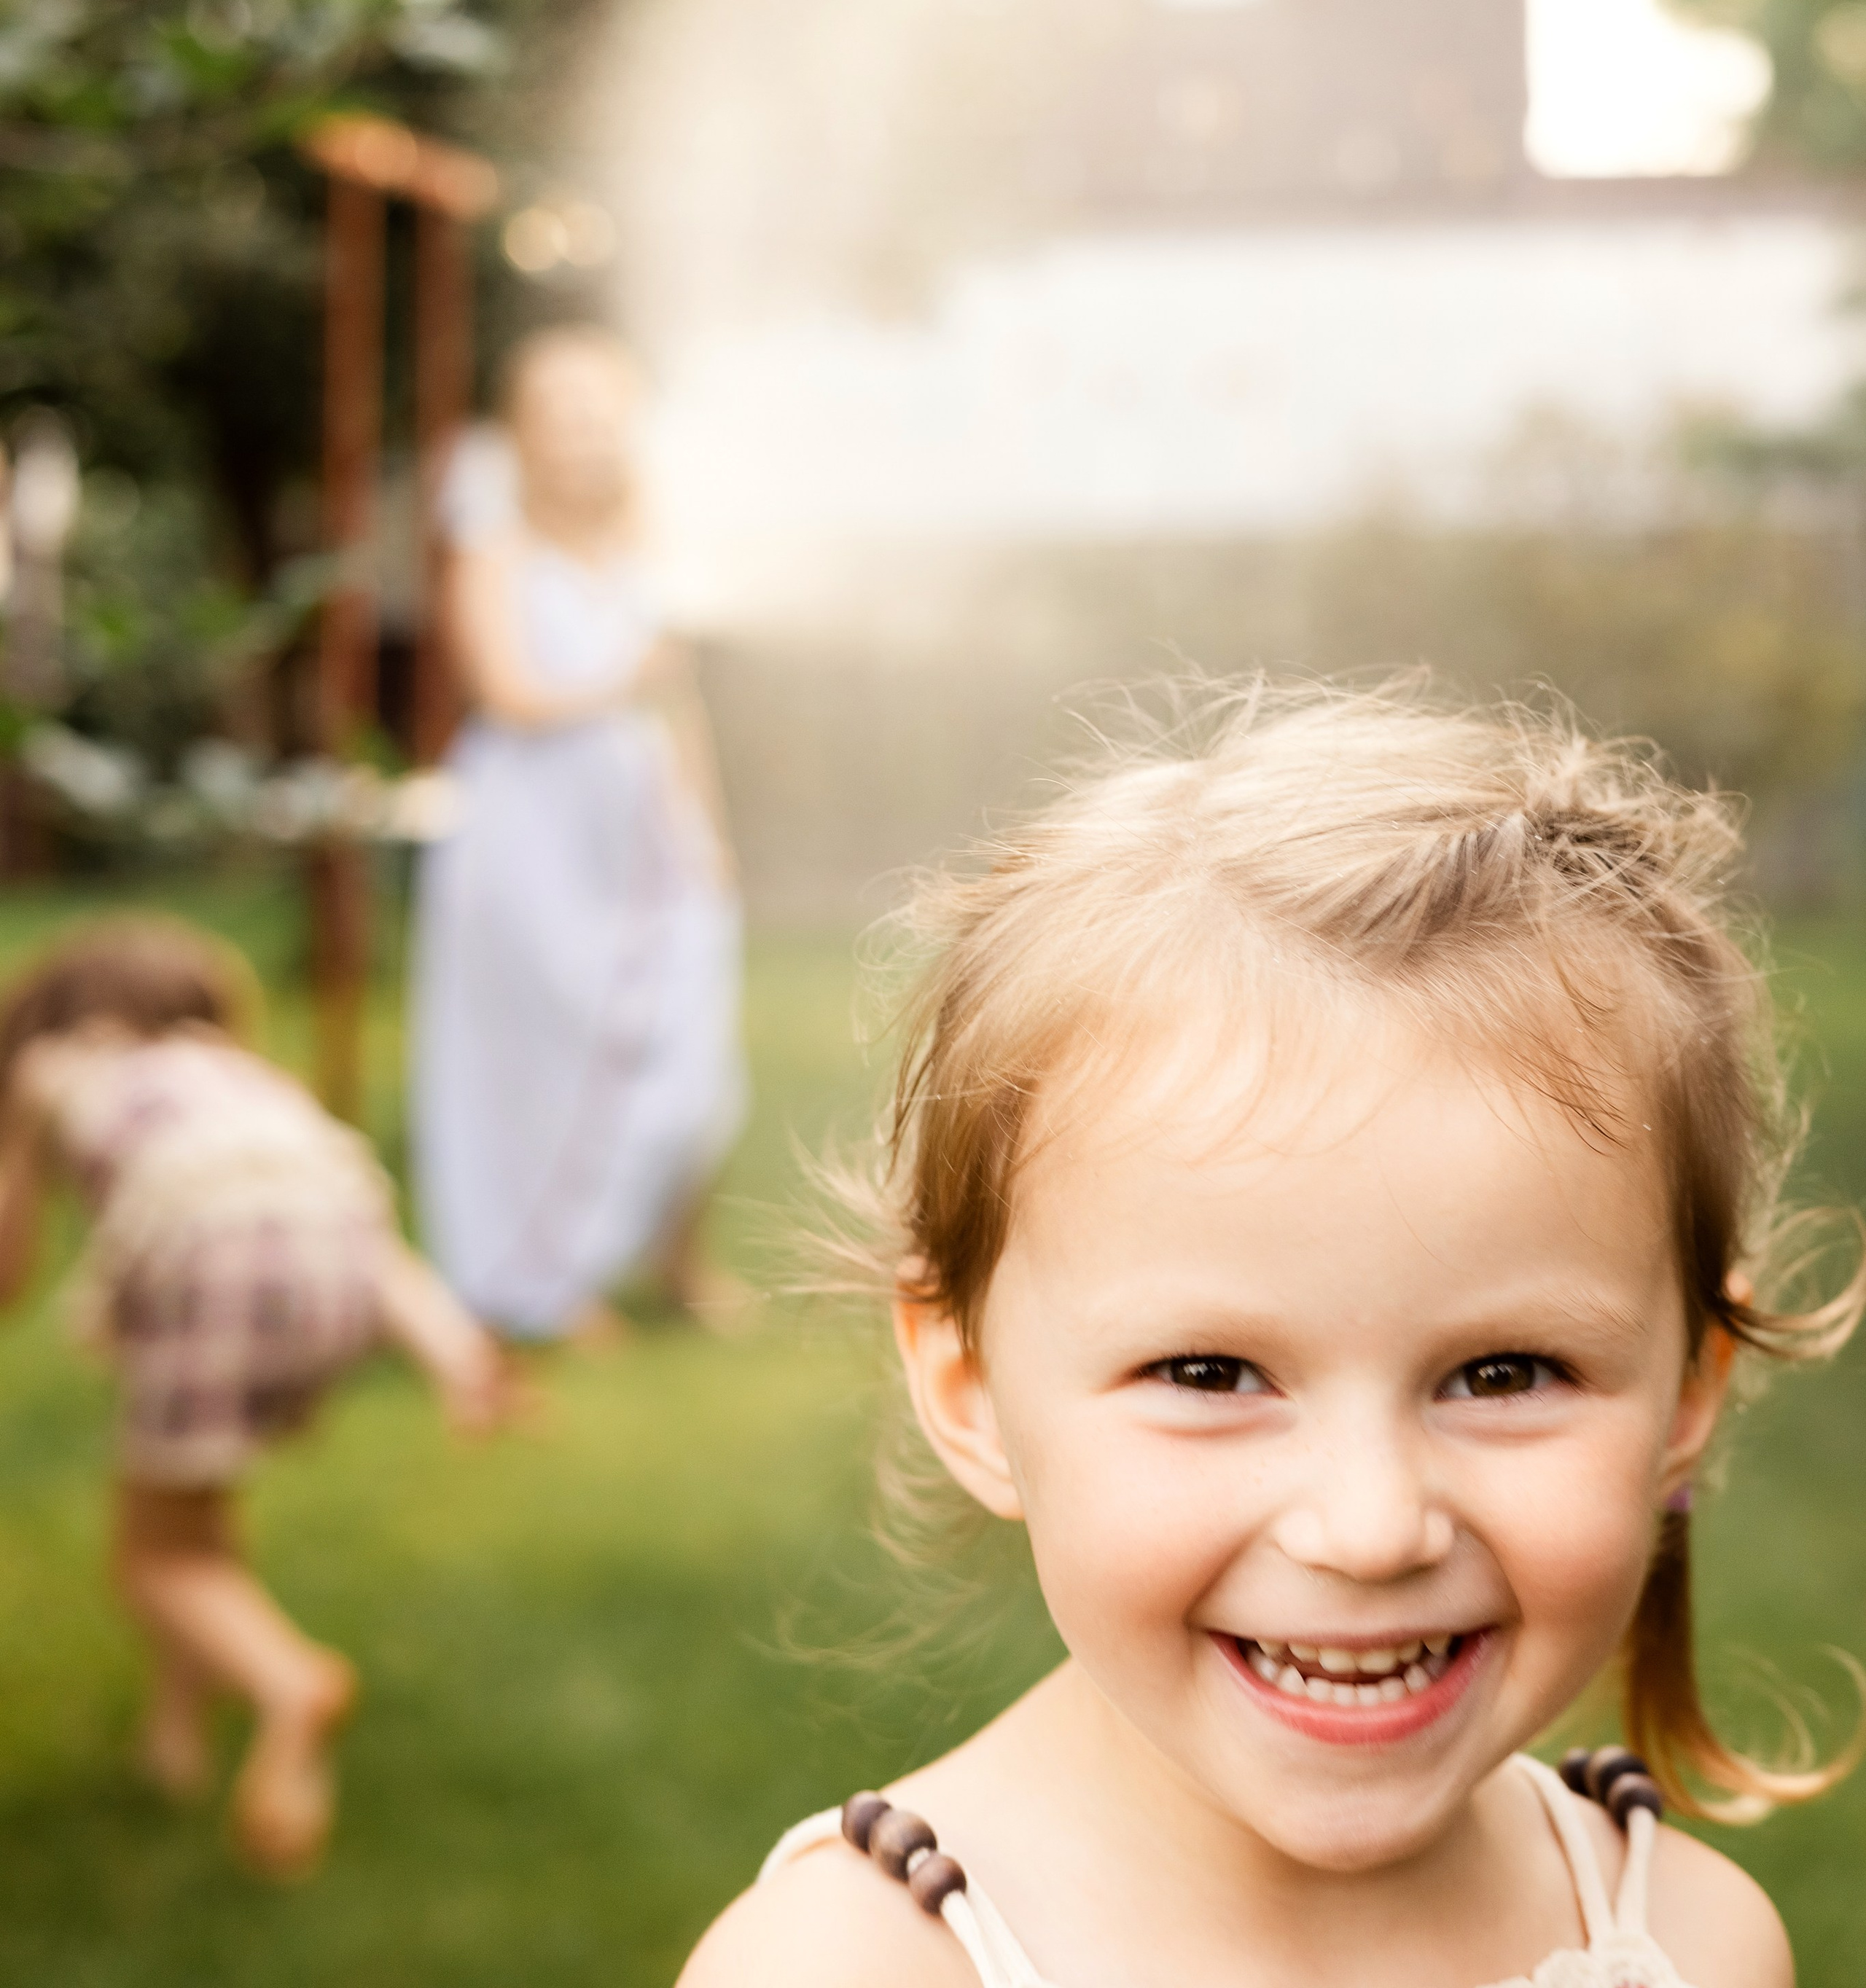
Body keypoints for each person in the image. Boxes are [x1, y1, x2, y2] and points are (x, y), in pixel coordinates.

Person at [682, 679, 1862, 1988]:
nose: (1367, 1531)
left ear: (1689, 1394)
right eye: (1209, 1373)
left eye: (1503, 1373)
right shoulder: (855, 1968)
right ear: (969, 1392)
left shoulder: (1695, 1942)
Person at [0, 915, 509, 1879]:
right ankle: (175, 1738)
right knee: (196, 1520)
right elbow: (361, 1221)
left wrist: (22, 1135)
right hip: (337, 1266)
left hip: (208, 1258)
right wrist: (456, 1356)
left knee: (153, 1556)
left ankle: (289, 1683)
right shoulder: (244, 1082)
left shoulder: (61, 1066)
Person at [410, 324, 746, 1342]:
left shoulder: (654, 542)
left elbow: (680, 707)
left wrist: (710, 830)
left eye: (601, 412)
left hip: (647, 842)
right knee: (544, 1061)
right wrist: (625, 676)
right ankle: (553, 1279)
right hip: (532, 846)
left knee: (694, 1058)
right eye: (560, 415)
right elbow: (509, 693)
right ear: (523, 433)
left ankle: (678, 1258)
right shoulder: (493, 545)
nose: (584, 436)